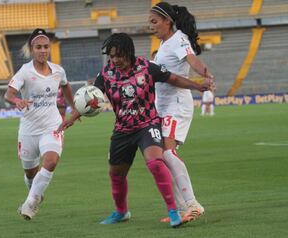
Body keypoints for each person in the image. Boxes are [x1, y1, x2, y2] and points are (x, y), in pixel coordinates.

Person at [58, 33, 212, 227]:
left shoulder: (147, 67)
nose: (115, 60)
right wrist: (71, 118)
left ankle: (174, 211)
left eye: (119, 55)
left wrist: (198, 86)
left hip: (147, 125)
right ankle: (121, 212)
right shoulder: (106, 74)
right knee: (116, 173)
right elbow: (91, 99)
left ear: (129, 52)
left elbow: (173, 78)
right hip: (123, 130)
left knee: (156, 162)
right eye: (111, 56)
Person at [149, 2, 215, 222]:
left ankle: (192, 204)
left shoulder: (178, 39)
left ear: (168, 21)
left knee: (167, 153)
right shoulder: (164, 46)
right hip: (162, 106)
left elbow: (192, 59)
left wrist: (206, 75)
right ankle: (179, 209)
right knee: (159, 158)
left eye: (154, 21)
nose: (151, 26)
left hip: (176, 105)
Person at [4, 28, 75, 220]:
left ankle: (29, 204)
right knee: (30, 174)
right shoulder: (25, 72)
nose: (42, 50)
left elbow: (66, 86)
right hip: (28, 130)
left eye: (45, 47)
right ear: (32, 49)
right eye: (38, 47)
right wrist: (17, 101)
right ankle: (35, 193)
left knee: (51, 161)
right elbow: (8, 93)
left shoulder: (58, 71)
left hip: (52, 126)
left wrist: (74, 107)